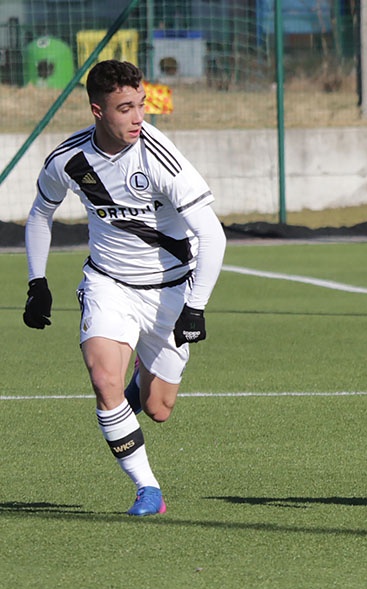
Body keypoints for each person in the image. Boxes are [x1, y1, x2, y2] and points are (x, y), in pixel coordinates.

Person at [22, 60, 227, 516]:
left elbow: (213, 236)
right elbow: (39, 214)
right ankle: (148, 489)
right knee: (103, 380)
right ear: (98, 111)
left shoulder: (160, 158)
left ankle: (141, 381)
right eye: (125, 108)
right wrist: (38, 282)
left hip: (170, 292)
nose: (138, 118)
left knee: (158, 408)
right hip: (107, 284)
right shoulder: (69, 159)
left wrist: (196, 307)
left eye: (141, 105)